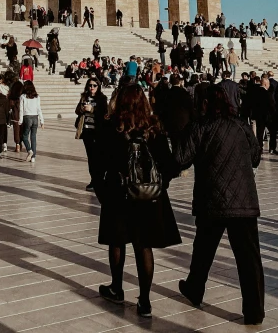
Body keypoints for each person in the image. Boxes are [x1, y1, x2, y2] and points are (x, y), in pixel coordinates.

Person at [174, 84, 264, 326]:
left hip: (211, 201)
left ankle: (194, 289)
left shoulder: (200, 126)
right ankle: (254, 311)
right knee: (249, 259)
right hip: (243, 202)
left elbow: (180, 159)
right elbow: (256, 157)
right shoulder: (241, 125)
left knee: (203, 250)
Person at [97, 83, 181, 318]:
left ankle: (116, 287)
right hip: (148, 197)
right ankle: (144, 301)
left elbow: (99, 161)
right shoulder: (153, 128)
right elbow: (170, 165)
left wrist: (103, 188)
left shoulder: (113, 126)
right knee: (143, 246)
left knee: (117, 241)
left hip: (118, 193)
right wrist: (158, 185)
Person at [75, 79, 108, 196]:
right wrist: (82, 109)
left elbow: (105, 113)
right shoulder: (84, 97)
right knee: (91, 157)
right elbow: (77, 110)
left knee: (98, 157)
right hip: (87, 131)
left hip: (98, 131)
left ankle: (99, 178)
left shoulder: (102, 99)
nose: (92, 87)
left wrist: (92, 109)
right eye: (90, 85)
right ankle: (94, 180)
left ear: (98, 86)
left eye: (94, 85)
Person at [19, 80, 44, 163]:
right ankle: (33, 157)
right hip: (35, 117)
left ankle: (29, 150)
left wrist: (20, 120)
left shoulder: (23, 96)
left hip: (27, 117)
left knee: (24, 136)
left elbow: (21, 110)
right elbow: (39, 109)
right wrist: (42, 121)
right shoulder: (37, 96)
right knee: (33, 137)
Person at [8, 79, 24, 151]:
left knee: (16, 129)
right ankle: (20, 142)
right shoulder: (22, 98)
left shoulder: (11, 98)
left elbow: (9, 106)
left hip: (15, 115)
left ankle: (17, 144)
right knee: (22, 129)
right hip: (22, 115)